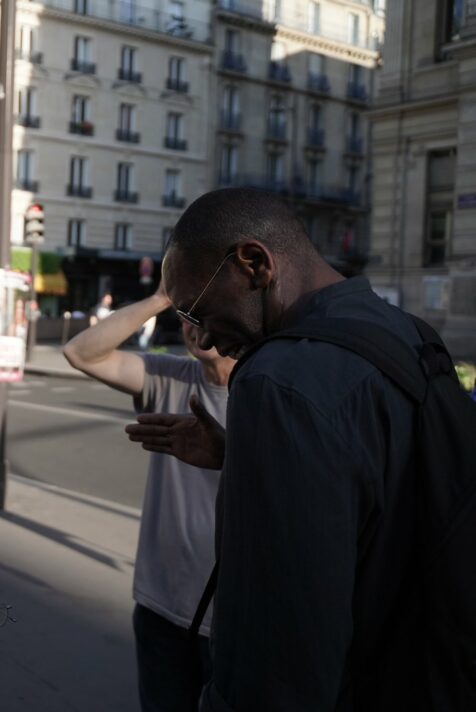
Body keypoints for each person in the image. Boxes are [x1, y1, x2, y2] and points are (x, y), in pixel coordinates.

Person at [126, 187, 452, 710]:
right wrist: (248, 456)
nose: (204, 339)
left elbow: (277, 642)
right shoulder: (409, 335)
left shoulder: (277, 380)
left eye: (200, 311)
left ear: (254, 264)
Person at [64, 274, 233, 712]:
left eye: (207, 311)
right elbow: (80, 352)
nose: (196, 326)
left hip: (235, 616)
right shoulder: (170, 375)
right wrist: (162, 296)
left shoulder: (267, 390)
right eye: (188, 315)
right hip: (161, 604)